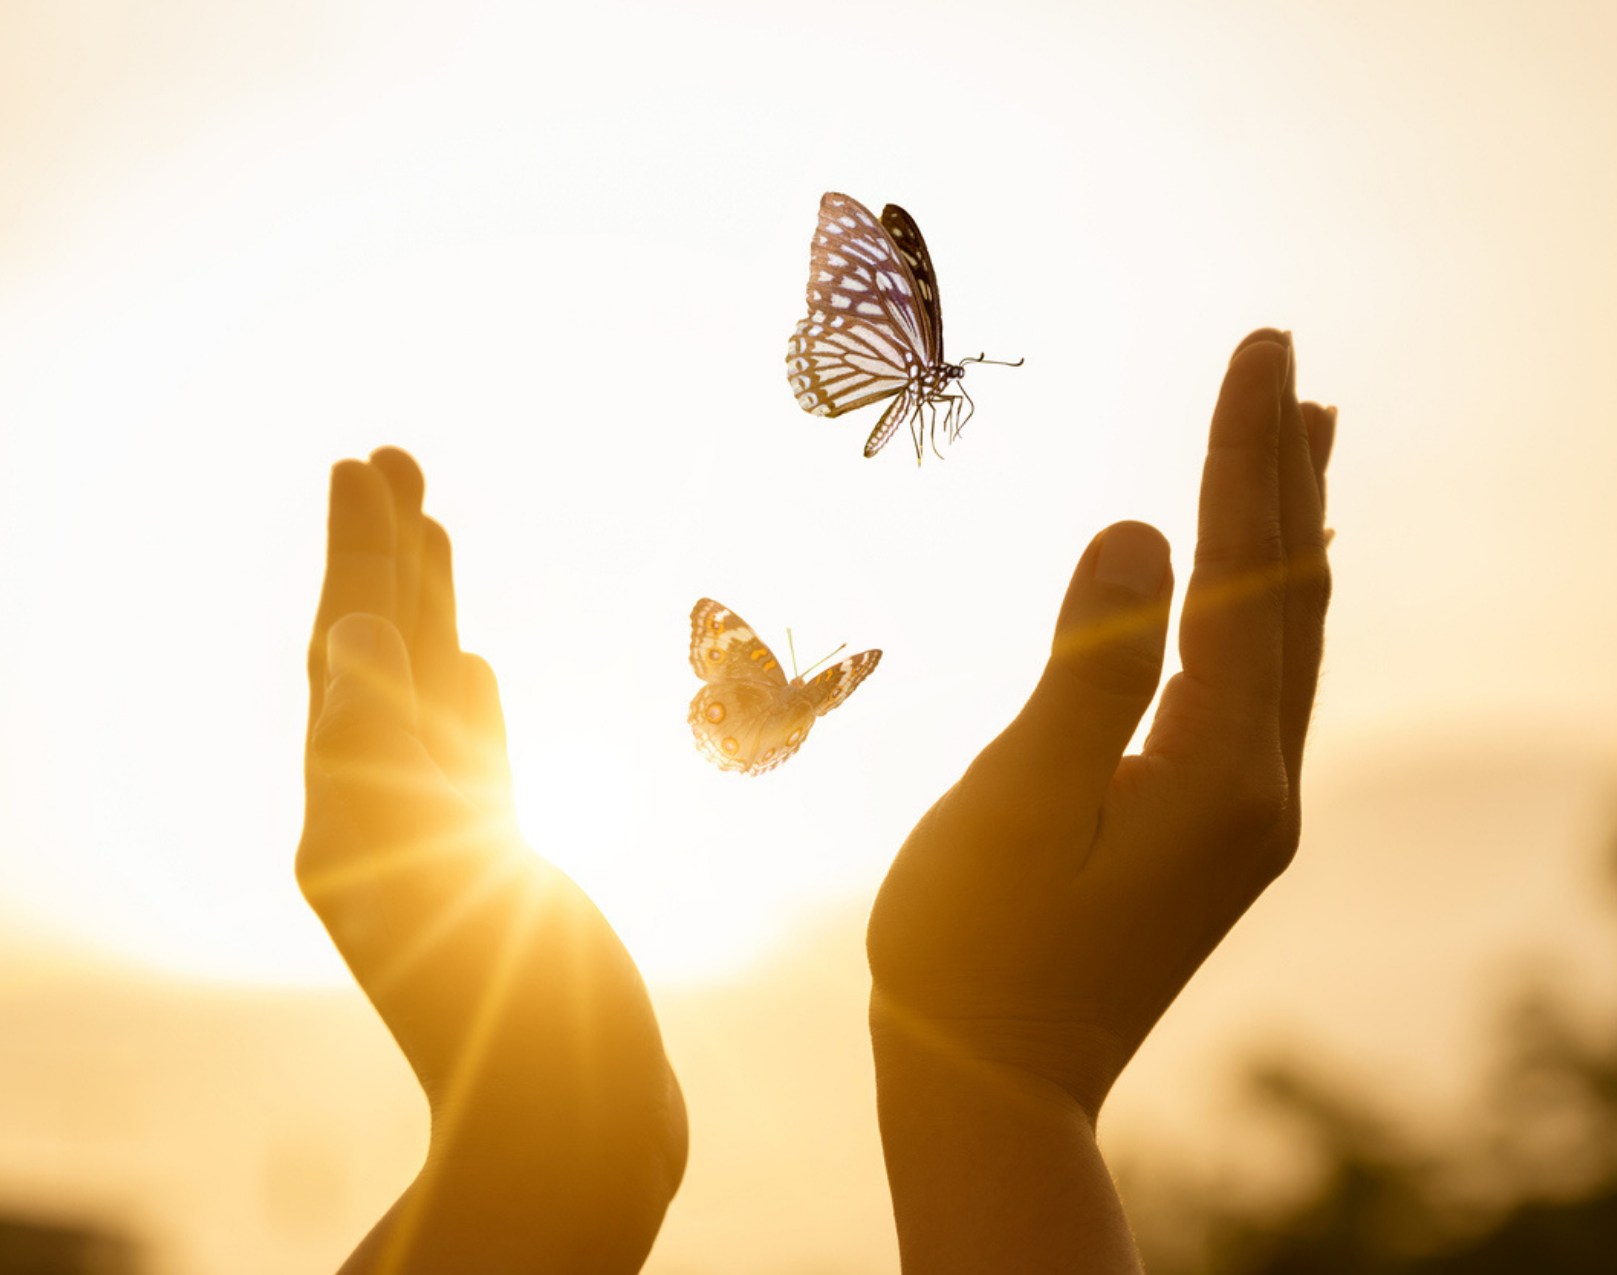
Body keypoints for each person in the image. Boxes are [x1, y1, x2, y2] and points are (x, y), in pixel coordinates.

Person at [297, 327, 1334, 1272]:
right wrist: (1008, 1074)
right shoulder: (792, 684)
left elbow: (561, 1142)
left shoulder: (801, 683)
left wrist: (547, 1140)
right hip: (763, 733)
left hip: (755, 731)